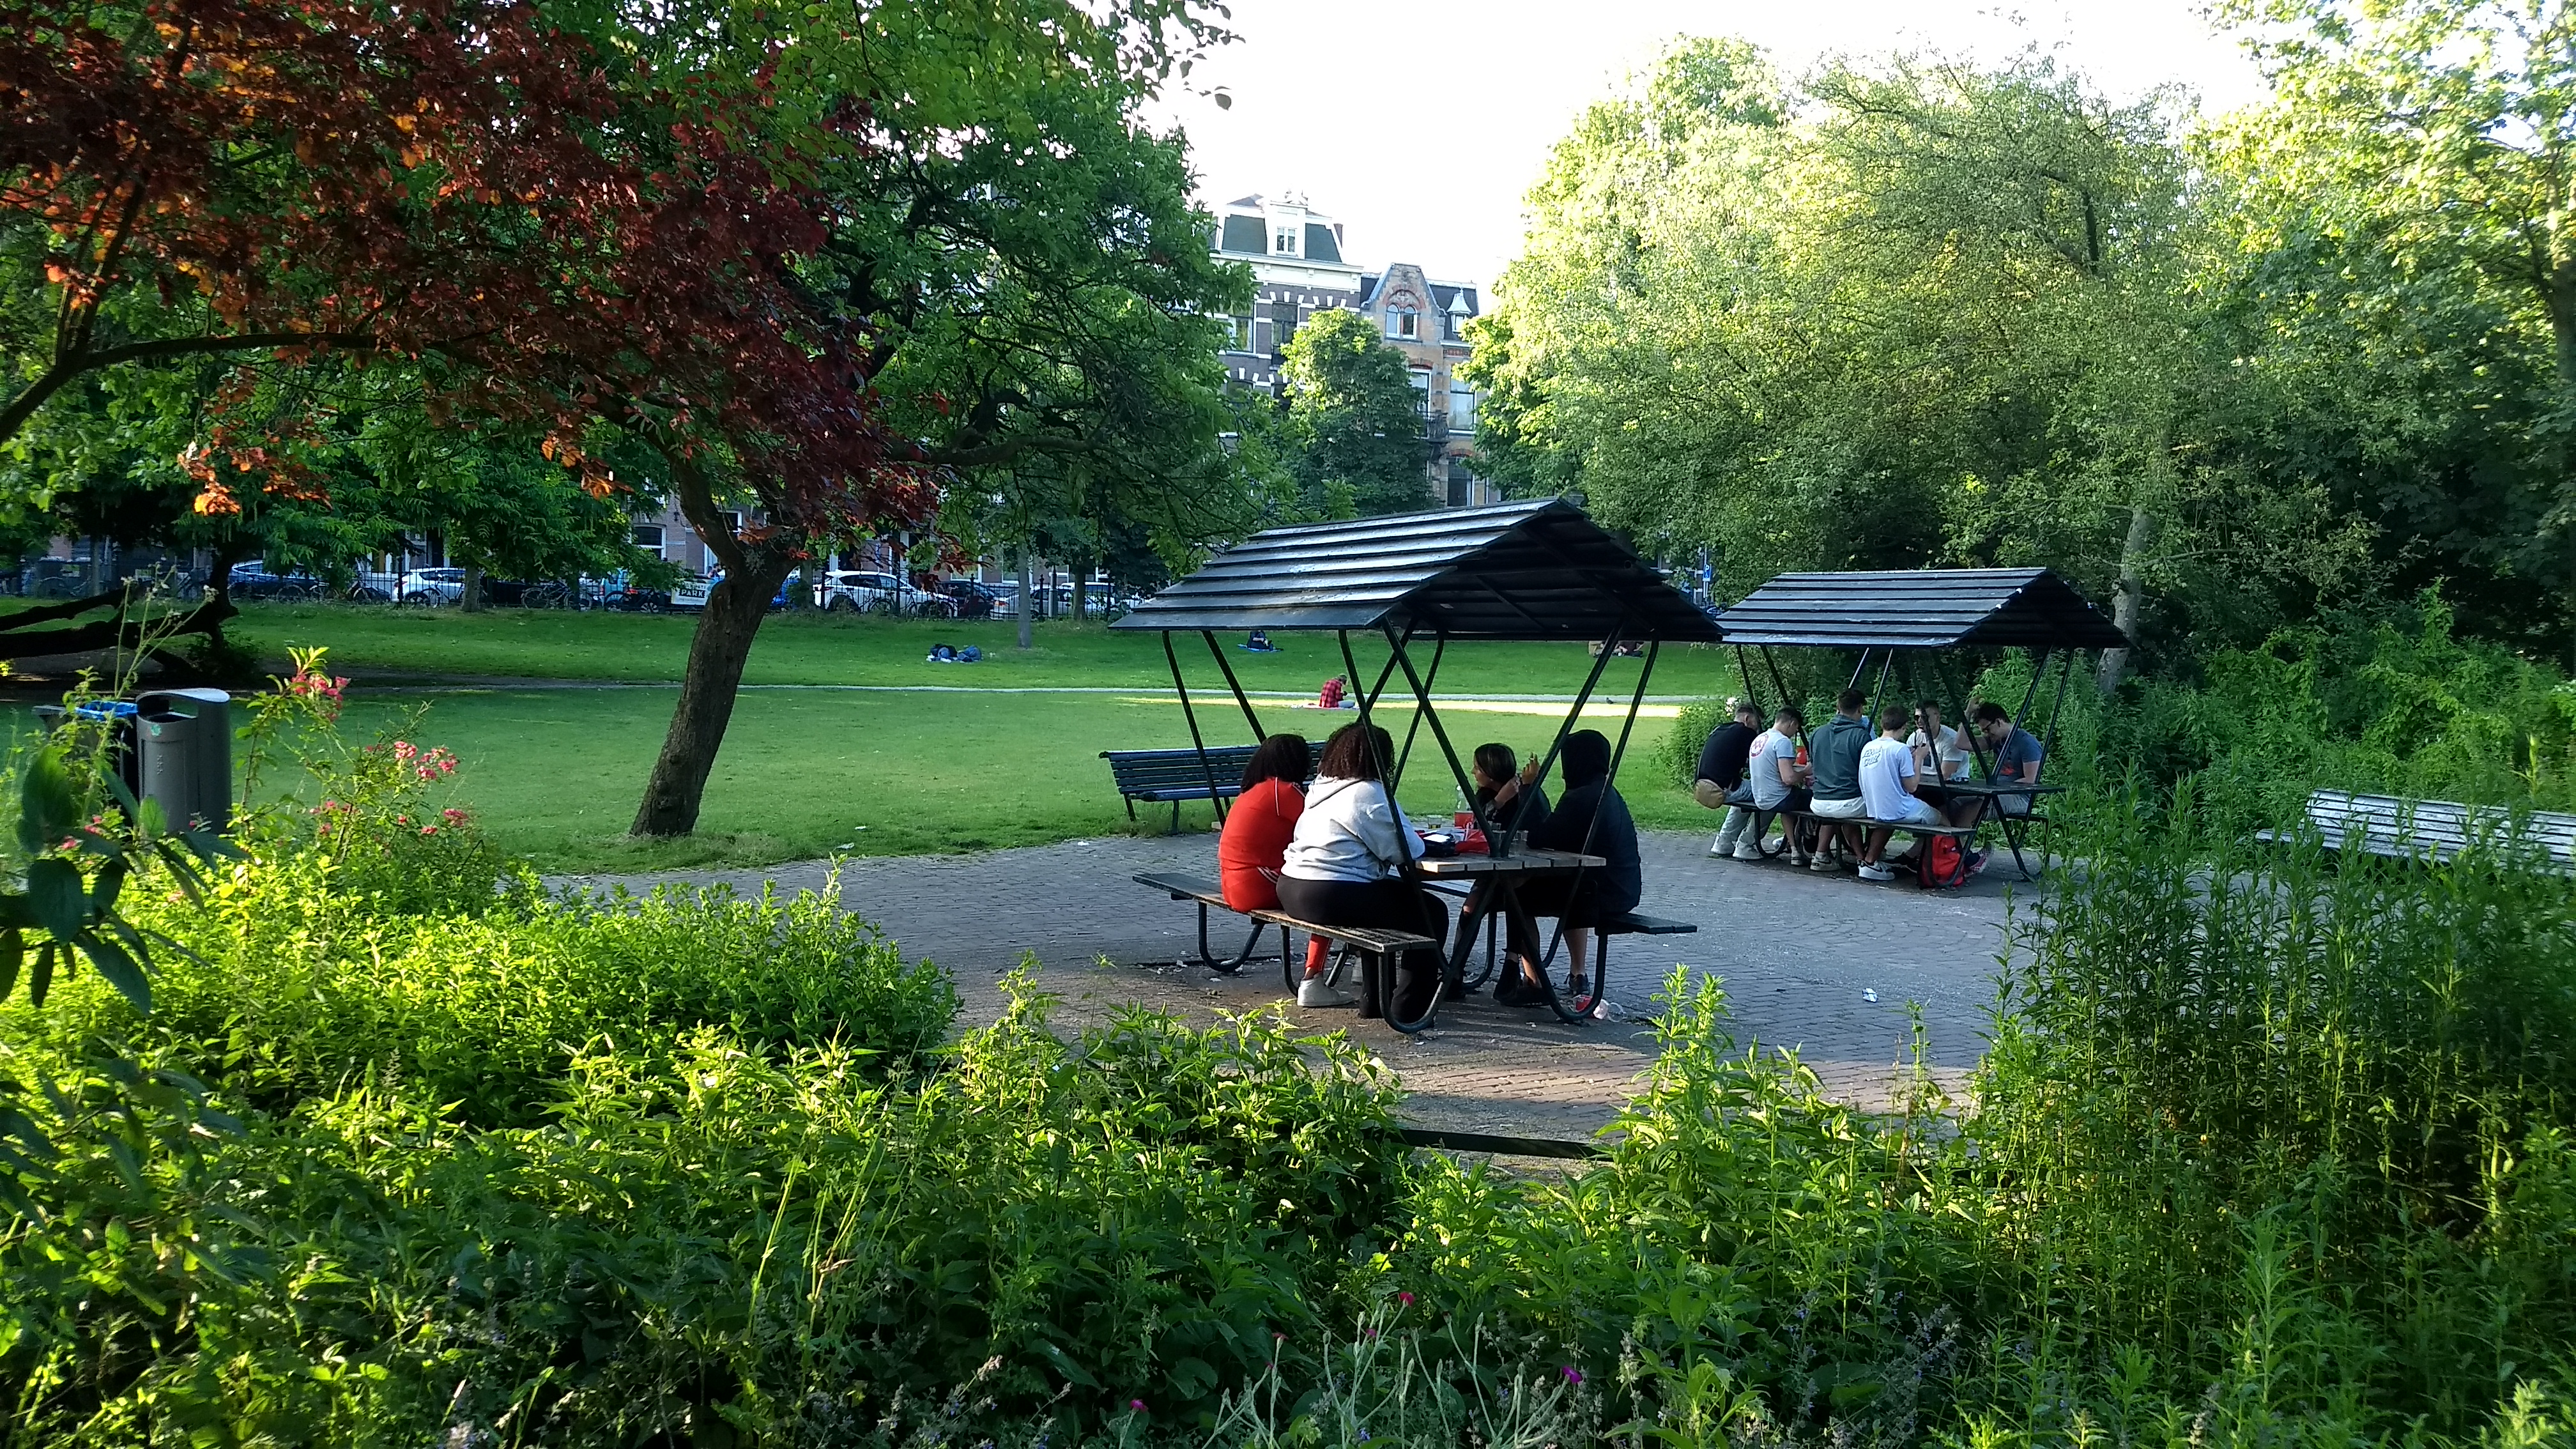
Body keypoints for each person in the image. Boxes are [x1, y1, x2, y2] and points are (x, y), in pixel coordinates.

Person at [1278, 722, 1450, 1021]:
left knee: (1378, 907)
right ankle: (1409, 1008)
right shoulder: (1368, 793)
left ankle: (1374, 999)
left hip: (1293, 885)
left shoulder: (1323, 787)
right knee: (1431, 911)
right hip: (1329, 891)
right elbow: (1406, 849)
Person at [1497, 730, 1640, 1009]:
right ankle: (1577, 974)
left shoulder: (1581, 798)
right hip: (1619, 887)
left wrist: (1530, 788)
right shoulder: (1606, 792)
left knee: (1516, 895)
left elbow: (1540, 835)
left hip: (1599, 894)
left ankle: (1534, 980)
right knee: (1566, 889)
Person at [1215, 734, 1337, 1004]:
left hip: (1233, 882)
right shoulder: (1284, 792)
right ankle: (1314, 977)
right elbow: (1326, 825)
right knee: (1328, 890)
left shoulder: (1255, 789)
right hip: (1255, 882)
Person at [1856, 707, 1945, 882]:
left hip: (1874, 807)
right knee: (1942, 818)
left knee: (1888, 820)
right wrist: (1919, 758)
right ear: (1904, 727)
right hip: (1900, 809)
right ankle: (1950, 860)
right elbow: (1912, 787)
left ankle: (1873, 862)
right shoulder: (1900, 749)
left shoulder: (1869, 746)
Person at [1805, 689, 1874, 871]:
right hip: (1849, 802)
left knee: (1839, 811)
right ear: (1860, 709)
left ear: (1838, 707)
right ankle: (1869, 859)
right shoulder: (1861, 736)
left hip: (1819, 801)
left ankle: (1822, 856)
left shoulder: (1817, 733)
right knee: (1883, 808)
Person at [1735, 705, 1811, 862]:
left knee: (1793, 803)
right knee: (1819, 801)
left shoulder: (1760, 738)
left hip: (1760, 796)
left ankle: (1794, 848)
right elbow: (1788, 779)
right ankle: (1818, 851)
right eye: (1796, 728)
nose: (1794, 733)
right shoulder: (1782, 741)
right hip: (1778, 798)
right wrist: (1806, 771)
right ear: (1792, 723)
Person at [1694, 698, 1764, 859]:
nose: (1757, 728)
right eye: (1757, 723)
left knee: (1746, 794)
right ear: (1747, 719)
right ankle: (1746, 845)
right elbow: (1758, 759)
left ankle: (1724, 841)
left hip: (1705, 786)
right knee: (1771, 795)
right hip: (1725, 788)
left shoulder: (1720, 729)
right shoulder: (1745, 732)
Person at [1972, 702, 2045, 815]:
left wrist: (1999, 787)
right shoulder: (1996, 740)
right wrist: (1967, 713)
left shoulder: (2027, 743)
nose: (1987, 734)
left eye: (1987, 730)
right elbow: (1961, 743)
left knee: (1973, 808)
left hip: (2019, 797)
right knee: (1954, 803)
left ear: (1999, 722)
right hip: (1997, 792)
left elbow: (2031, 780)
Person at [1471, 740, 1550, 836]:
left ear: (1491, 771)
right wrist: (1499, 801)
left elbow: (1536, 825)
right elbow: (1474, 826)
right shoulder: (1484, 794)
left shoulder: (1523, 792)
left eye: (1477, 768)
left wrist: (1528, 788)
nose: (1472, 771)